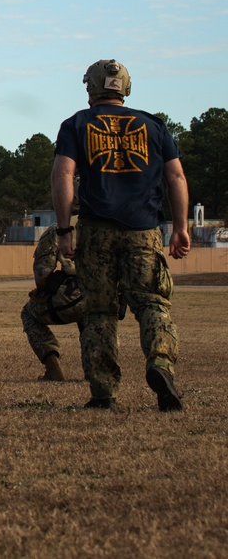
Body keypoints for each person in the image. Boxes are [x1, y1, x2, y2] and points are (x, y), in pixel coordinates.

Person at [51, 60, 190, 412]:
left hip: (96, 230)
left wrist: (65, 229)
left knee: (99, 312)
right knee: (152, 303)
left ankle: (102, 391)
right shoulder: (155, 125)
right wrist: (180, 227)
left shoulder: (76, 124)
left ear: (91, 88)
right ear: (124, 88)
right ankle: (160, 364)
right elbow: (176, 178)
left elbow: (63, 175)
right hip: (144, 231)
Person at [21, 222, 87, 382]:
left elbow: (42, 273)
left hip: (72, 294)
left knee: (29, 313)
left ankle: (53, 369)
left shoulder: (60, 229)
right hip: (103, 292)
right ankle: (98, 371)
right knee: (95, 321)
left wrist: (47, 288)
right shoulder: (108, 224)